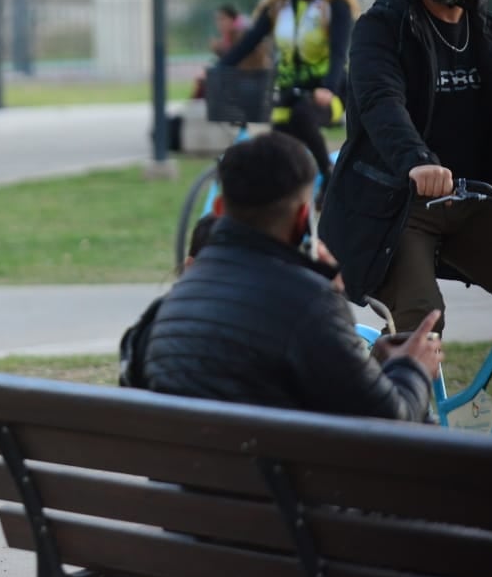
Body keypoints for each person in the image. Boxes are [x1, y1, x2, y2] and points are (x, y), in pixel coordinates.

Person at [135, 132, 440, 421]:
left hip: (190, 474)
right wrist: (412, 367)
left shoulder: (173, 302)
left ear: (218, 209)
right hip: (267, 475)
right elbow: (388, 418)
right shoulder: (307, 304)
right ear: (302, 218)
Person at [320, 0, 492, 335]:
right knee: (423, 317)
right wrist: (419, 162)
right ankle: (399, 405)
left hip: (473, 203)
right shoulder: (380, 29)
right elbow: (382, 105)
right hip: (396, 208)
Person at [217, 0, 361, 195]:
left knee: (302, 116)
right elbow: (249, 41)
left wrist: (327, 89)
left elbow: (340, 51)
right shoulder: (279, 4)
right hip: (287, 92)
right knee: (276, 151)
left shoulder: (335, 4)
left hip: (328, 94)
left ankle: (329, 175)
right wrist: (219, 69)